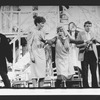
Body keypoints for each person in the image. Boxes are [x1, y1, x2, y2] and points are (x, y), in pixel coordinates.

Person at [76, 21, 98, 88]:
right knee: (85, 72)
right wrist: (85, 43)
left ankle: (95, 86)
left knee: (94, 71)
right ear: (84, 27)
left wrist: (94, 42)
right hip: (84, 53)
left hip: (92, 53)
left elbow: (96, 43)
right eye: (87, 26)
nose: (88, 28)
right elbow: (77, 44)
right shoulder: (80, 33)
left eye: (90, 26)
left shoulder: (93, 33)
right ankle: (86, 86)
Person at [27, 15, 47, 87]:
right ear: (37, 23)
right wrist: (31, 55)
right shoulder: (32, 31)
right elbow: (29, 44)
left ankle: (41, 89)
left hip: (42, 52)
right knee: (35, 73)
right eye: (42, 23)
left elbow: (44, 42)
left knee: (42, 73)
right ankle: (35, 89)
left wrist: (44, 42)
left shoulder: (43, 31)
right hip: (35, 53)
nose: (43, 25)